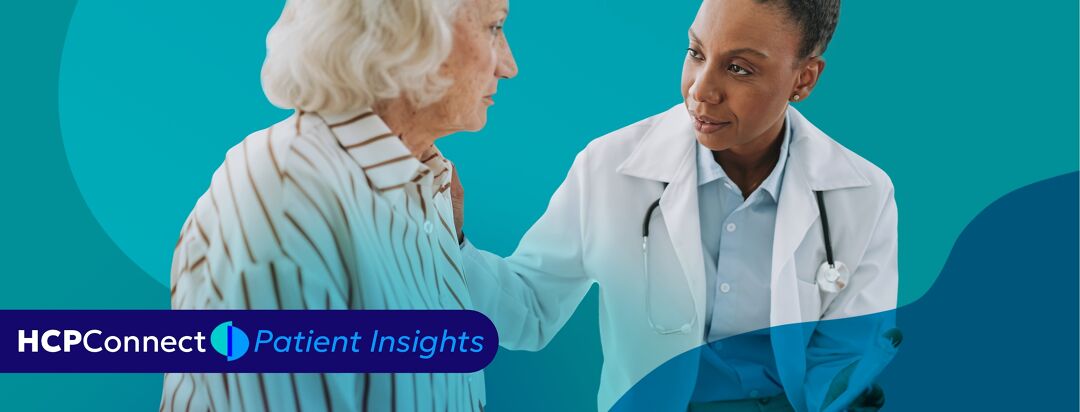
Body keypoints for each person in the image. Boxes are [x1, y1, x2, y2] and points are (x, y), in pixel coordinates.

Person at [453, 0, 897, 410]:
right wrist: (453, 242)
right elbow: (527, 312)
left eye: (739, 69)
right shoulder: (609, 168)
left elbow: (845, 355)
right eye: (696, 53)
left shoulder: (862, 194)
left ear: (804, 78)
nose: (701, 90)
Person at [161, 0, 517, 410]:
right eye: (494, 27)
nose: (508, 65)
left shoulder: (425, 186)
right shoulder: (288, 192)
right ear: (405, 36)